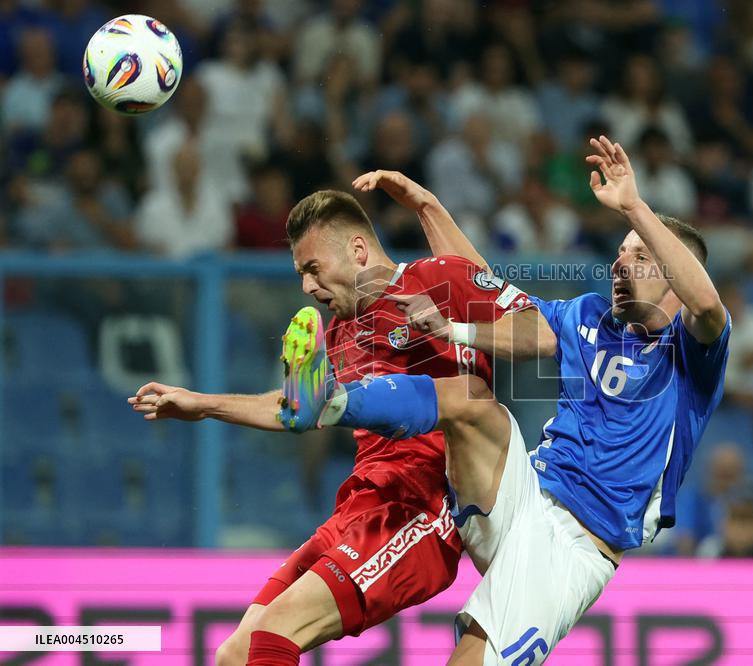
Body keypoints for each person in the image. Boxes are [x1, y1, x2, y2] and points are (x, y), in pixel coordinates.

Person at [291, 137, 730, 663]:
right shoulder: (589, 315)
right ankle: (335, 401)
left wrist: (634, 206)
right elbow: (490, 292)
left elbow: (705, 302)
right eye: (619, 251)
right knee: (472, 404)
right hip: (522, 491)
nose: (620, 263)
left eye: (640, 255)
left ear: (675, 275)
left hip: (573, 547)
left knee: (472, 655)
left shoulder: (694, 351)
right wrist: (429, 209)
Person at [128, 177, 527, 664]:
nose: (306, 287)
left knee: (271, 635)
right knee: (234, 653)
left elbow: (517, 316)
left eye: (313, 268)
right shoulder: (338, 333)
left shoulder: (434, 284)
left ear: (358, 249)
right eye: (300, 273)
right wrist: (200, 403)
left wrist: (426, 205)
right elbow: (297, 409)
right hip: (358, 504)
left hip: (420, 507)